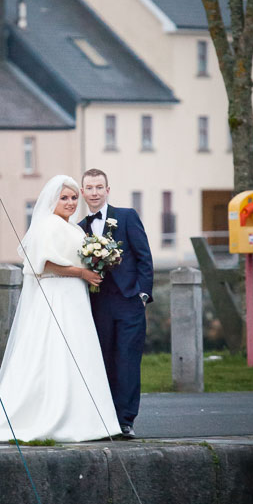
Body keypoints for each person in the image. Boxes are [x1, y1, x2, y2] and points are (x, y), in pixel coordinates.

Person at [0, 175, 121, 443]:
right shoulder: (47, 226)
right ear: (52, 200)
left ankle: (84, 417)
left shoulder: (74, 229)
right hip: (57, 294)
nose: (71, 202)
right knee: (54, 350)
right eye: (64, 197)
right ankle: (51, 413)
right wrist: (82, 273)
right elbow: (43, 264)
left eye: (74, 197)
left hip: (75, 296)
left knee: (78, 350)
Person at [80, 169, 153, 439]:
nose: (95, 192)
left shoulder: (126, 216)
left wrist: (143, 295)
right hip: (98, 306)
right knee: (103, 362)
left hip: (129, 302)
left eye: (100, 187)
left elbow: (144, 256)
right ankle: (106, 419)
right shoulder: (79, 229)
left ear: (107, 190)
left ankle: (125, 421)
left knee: (128, 362)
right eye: (90, 188)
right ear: (83, 192)